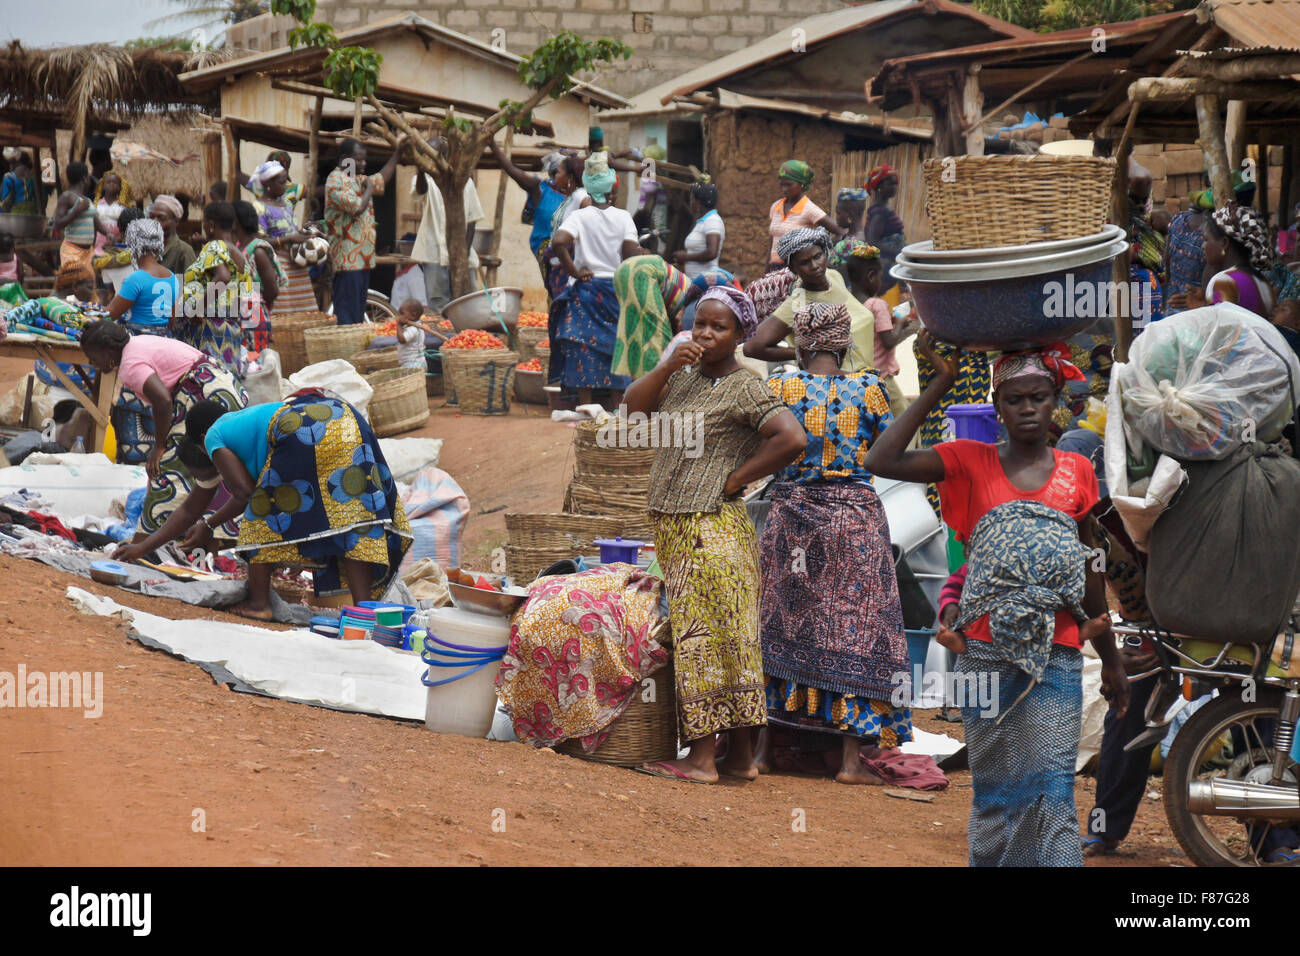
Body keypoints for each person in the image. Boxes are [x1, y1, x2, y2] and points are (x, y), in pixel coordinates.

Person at [864, 335, 1129, 867]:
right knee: (996, 785)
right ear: (998, 407)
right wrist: (938, 383)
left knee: (1052, 779)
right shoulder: (967, 459)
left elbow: (1087, 562)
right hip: (981, 650)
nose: (1028, 408)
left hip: (1057, 646)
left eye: (1038, 397)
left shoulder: (1076, 470)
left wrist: (1113, 659)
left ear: (1056, 402)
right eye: (1014, 399)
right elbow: (881, 457)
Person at [626, 285, 806, 783]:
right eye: (699, 322)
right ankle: (741, 758)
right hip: (682, 526)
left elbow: (792, 437)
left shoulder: (746, 386)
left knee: (703, 640)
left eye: (718, 326)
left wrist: (735, 479)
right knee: (731, 641)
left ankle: (703, 759)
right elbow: (633, 415)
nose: (705, 333)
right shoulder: (681, 378)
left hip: (709, 528)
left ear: (741, 334)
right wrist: (664, 367)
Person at [758, 300, 913, 784]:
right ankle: (849, 762)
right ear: (847, 343)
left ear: (800, 343)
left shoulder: (781, 386)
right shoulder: (870, 389)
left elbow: (759, 448)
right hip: (854, 522)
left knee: (779, 625)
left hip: (793, 519)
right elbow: (890, 452)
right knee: (859, 632)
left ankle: (763, 752)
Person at [126, 395, 412, 621]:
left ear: (201, 443)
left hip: (301, 426)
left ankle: (259, 604)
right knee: (354, 520)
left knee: (262, 512)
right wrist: (141, 548)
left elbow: (244, 493)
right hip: (345, 416)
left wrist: (210, 526)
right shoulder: (245, 426)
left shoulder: (213, 436)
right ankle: (363, 614)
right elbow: (192, 509)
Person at [81, 321, 247, 535]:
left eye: (92, 356)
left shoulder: (130, 365)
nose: (90, 362)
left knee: (166, 469)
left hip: (202, 394)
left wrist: (159, 447)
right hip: (223, 388)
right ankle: (214, 536)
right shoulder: (138, 344)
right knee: (216, 464)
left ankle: (147, 541)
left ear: (108, 350)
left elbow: (162, 401)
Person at [549, 152, 640, 409]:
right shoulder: (623, 218)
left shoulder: (580, 216)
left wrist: (574, 272)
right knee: (617, 348)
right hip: (615, 291)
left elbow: (558, 243)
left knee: (583, 348)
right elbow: (631, 253)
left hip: (586, 290)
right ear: (612, 189)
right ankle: (618, 407)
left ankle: (585, 406)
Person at [744, 227, 875, 374]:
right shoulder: (798, 303)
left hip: (867, 377)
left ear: (825, 253)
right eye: (804, 263)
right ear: (793, 269)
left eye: (817, 256)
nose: (814, 266)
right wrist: (803, 353)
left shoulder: (834, 277)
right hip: (838, 385)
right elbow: (752, 348)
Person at [832, 238, 917, 417]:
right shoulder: (877, 305)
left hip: (858, 376)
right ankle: (907, 446)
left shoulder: (848, 303)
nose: (880, 282)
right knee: (903, 416)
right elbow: (889, 341)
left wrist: (891, 321)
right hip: (882, 377)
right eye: (880, 277)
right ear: (871, 276)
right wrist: (900, 323)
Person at [324, 137, 404, 325]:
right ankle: (347, 352)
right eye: (358, 159)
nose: (363, 163)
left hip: (362, 260)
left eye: (364, 159)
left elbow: (381, 179)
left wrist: (398, 153)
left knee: (358, 314)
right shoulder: (335, 181)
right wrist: (368, 189)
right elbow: (357, 206)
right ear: (345, 159)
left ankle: (355, 349)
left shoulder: (356, 178)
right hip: (347, 262)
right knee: (347, 314)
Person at [411, 137, 486, 312]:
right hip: (433, 253)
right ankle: (445, 339)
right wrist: (421, 170)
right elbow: (420, 191)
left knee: (468, 301)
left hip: (462, 254)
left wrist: (463, 252)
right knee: (439, 304)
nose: (428, 160)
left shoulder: (464, 181)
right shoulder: (425, 180)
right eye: (425, 156)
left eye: (431, 155)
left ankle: (466, 338)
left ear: (444, 156)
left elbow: (472, 219)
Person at [180, 201, 251, 378]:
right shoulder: (239, 255)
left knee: (209, 384)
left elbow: (223, 277)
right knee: (226, 385)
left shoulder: (213, 246)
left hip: (210, 330)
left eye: (204, 223)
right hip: (230, 329)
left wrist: (197, 309)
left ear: (211, 225)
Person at [1181, 202, 1276, 318]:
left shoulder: (1223, 281)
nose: (1203, 246)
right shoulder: (1261, 280)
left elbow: (1222, 330)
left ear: (1224, 243)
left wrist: (1200, 310)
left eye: (1206, 239)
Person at [248, 162, 317, 313]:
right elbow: (258, 241)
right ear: (268, 184)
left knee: (303, 312)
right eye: (282, 182)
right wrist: (288, 239)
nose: (286, 186)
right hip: (278, 267)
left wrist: (304, 232)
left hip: (298, 266)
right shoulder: (259, 207)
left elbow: (291, 230)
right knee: (283, 313)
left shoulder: (285, 204)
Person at [611, 255, 691, 379]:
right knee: (658, 342)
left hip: (626, 269)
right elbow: (679, 323)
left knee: (635, 335)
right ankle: (651, 391)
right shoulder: (699, 308)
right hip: (644, 272)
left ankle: (633, 391)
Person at [104, 218, 181, 335]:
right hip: (163, 341)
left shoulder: (136, 279)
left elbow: (111, 314)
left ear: (133, 244)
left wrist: (86, 311)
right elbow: (172, 322)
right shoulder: (172, 278)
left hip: (138, 342)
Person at [767, 160, 843, 270]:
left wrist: (821, 249)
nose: (784, 189)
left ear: (802, 184)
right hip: (774, 267)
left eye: (789, 185)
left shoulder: (809, 209)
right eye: (782, 185)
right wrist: (766, 272)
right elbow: (771, 244)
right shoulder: (776, 206)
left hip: (794, 269)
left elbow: (840, 231)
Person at [232, 200, 283, 352]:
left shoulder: (257, 250)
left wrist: (256, 306)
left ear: (236, 222)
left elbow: (272, 290)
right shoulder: (238, 247)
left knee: (255, 364)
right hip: (241, 314)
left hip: (253, 313)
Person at [51, 162, 108, 296]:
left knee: (87, 286)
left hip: (87, 252)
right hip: (72, 250)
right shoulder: (67, 197)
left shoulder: (87, 200)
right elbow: (58, 224)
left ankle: (85, 314)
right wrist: (76, 211)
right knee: (70, 285)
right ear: (84, 178)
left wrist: (108, 234)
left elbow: (96, 221)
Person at [864, 165, 907, 307]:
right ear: (879, 186)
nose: (894, 187)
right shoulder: (880, 212)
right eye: (890, 183)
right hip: (886, 263)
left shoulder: (881, 209)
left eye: (896, 183)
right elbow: (873, 241)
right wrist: (899, 255)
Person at [1164, 189, 1212, 315]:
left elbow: (1167, 261)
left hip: (1173, 302)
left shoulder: (1178, 219)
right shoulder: (1211, 235)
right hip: (1197, 307)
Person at [149, 195, 196, 275]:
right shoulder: (144, 248)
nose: (155, 222)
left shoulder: (184, 252)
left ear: (176, 221)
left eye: (162, 218)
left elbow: (192, 285)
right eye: (151, 217)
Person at [395, 299, 428, 370]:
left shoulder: (413, 329)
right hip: (419, 362)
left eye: (402, 314)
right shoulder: (417, 326)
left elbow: (402, 340)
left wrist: (399, 325)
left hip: (412, 364)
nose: (400, 316)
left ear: (413, 315)